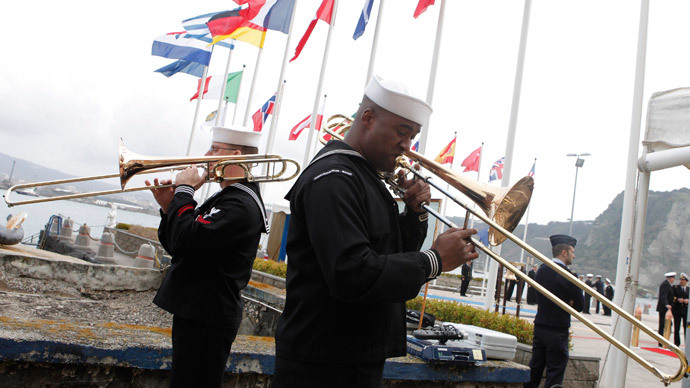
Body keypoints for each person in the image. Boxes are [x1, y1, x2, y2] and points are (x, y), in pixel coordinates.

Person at [272, 75, 479, 388]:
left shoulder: (362, 176)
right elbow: (352, 273)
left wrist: (414, 212)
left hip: (350, 354)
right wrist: (434, 260)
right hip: (324, 363)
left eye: (413, 136)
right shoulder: (335, 177)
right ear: (367, 118)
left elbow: (390, 253)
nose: (407, 146)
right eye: (402, 131)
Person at [146, 126, 269, 388]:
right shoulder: (227, 197)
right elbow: (180, 246)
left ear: (235, 155)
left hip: (209, 315)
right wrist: (170, 208)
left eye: (214, 149)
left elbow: (187, 239)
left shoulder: (240, 204)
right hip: (200, 311)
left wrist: (184, 192)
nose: (206, 155)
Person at [524, 234, 584, 388]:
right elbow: (579, 305)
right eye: (572, 252)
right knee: (555, 375)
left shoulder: (541, 271)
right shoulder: (568, 275)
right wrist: (568, 302)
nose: (574, 256)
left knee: (534, 371)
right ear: (564, 252)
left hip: (540, 327)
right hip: (557, 331)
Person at [657, 272, 676, 347]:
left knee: (667, 324)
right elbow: (663, 296)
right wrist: (666, 304)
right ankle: (661, 341)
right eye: (673, 278)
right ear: (670, 278)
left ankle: (664, 339)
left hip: (665, 309)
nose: (673, 280)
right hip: (663, 309)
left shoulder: (668, 285)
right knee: (662, 324)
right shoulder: (665, 284)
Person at [672, 273, 689, 346]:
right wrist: (677, 300)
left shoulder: (688, 289)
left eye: (683, 280)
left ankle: (687, 343)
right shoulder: (675, 287)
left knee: (687, 328)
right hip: (677, 311)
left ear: (686, 281)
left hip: (686, 312)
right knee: (677, 327)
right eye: (681, 279)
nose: (681, 281)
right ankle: (677, 343)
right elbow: (671, 297)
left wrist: (688, 301)